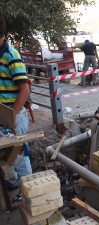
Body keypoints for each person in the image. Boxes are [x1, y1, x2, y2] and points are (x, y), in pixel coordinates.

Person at [0, 17, 31, 205]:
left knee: (19, 155)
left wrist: (11, 115)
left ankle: (28, 192)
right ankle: (12, 182)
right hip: (3, 113)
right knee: (5, 152)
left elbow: (25, 89)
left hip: (15, 115)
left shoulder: (11, 55)